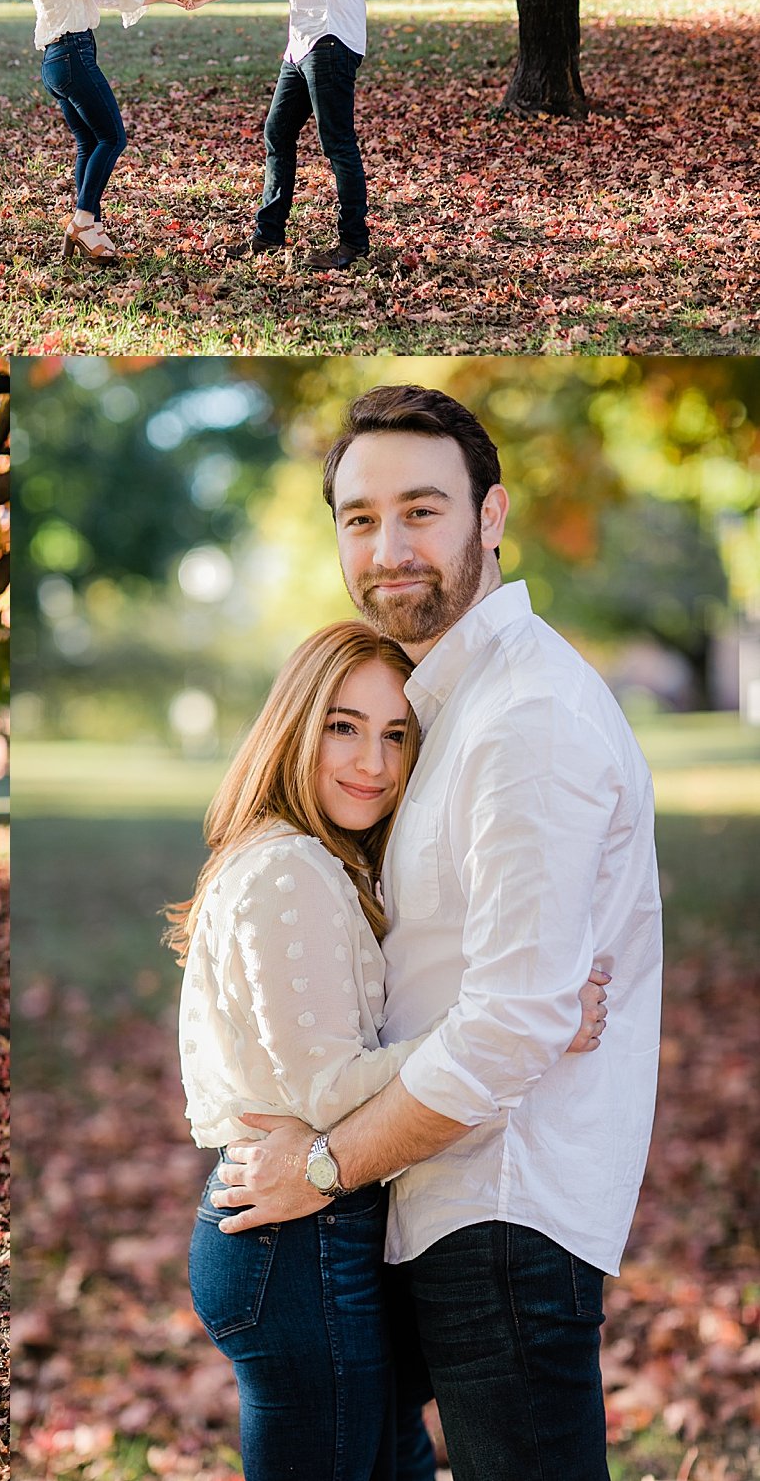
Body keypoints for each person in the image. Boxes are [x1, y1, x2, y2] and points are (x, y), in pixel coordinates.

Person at [212, 383, 663, 1481]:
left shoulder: (527, 716)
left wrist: (322, 1165)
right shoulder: (442, 704)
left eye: (422, 509)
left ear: (491, 516)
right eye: (360, 518)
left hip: (501, 1207)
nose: (388, 545)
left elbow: (516, 1020)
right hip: (429, 1194)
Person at [172, 621, 609, 1481]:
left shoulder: (318, 860)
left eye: (396, 733)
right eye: (343, 725)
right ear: (295, 724)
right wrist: (525, 1018)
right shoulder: (288, 867)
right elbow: (329, 1086)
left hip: (317, 1228)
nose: (372, 759)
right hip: (292, 1243)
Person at [176, 0, 369, 272]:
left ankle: (354, 244)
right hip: (303, 42)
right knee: (277, 133)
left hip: (330, 39)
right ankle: (269, 236)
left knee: (337, 142)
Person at [17, 0, 187, 267]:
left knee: (89, 141)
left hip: (62, 60)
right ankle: (83, 222)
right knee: (113, 137)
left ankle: (86, 224)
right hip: (72, 57)